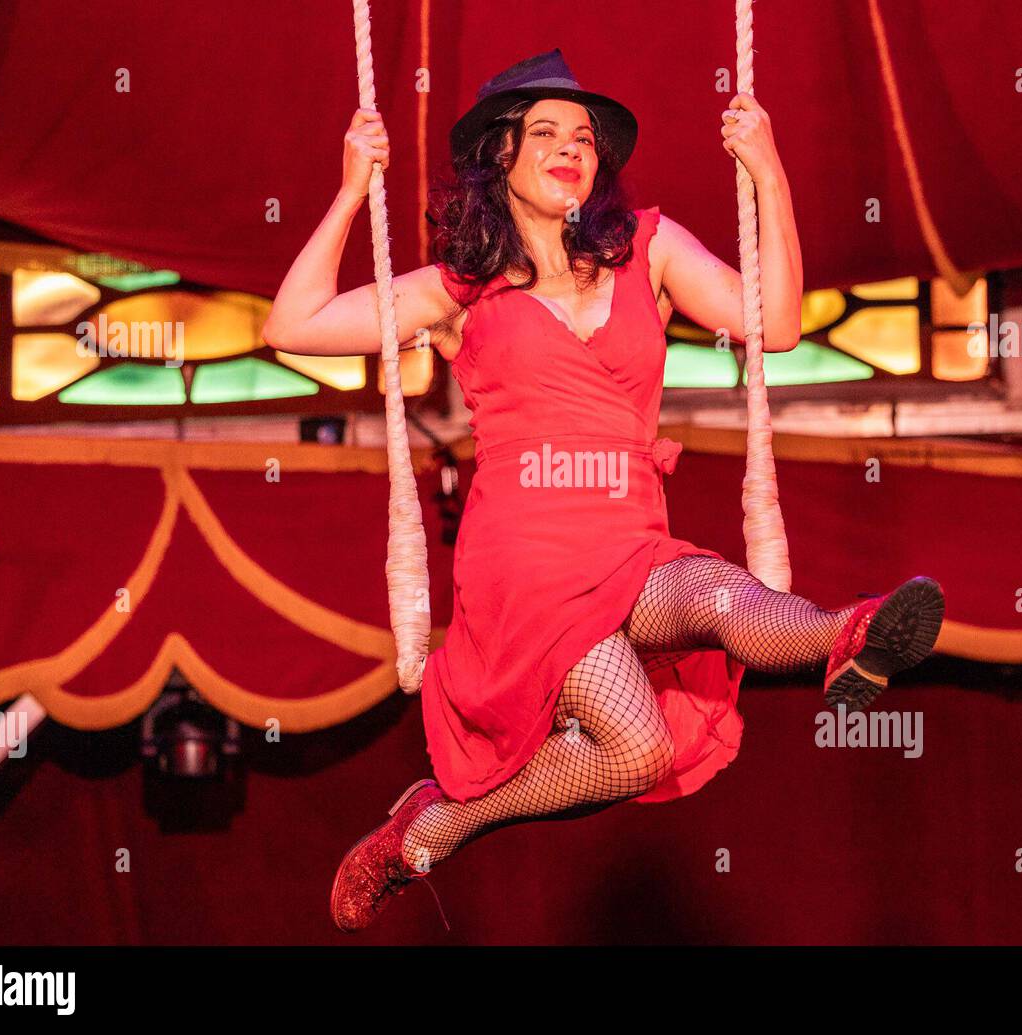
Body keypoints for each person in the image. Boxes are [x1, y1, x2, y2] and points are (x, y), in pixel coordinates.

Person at [262, 49, 945, 932]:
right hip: (526, 559)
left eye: (582, 137)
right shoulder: (460, 289)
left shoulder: (649, 249)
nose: (569, 148)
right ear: (500, 157)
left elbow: (775, 322)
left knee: (710, 592)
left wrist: (768, 170)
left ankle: (848, 633)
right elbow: (293, 323)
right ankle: (428, 826)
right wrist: (354, 188)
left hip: (629, 533)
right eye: (543, 132)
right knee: (636, 748)